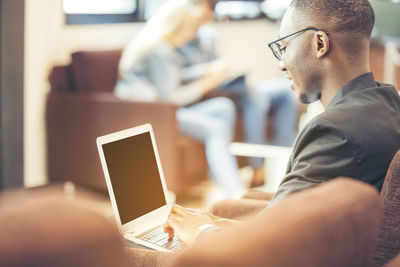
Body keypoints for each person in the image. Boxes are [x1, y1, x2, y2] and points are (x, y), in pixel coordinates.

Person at [163, 0, 400, 245]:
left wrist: (201, 233)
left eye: (284, 47)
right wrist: (210, 222)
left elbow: (265, 243)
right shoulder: (389, 103)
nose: (281, 63)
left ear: (320, 44)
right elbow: (279, 221)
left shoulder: (335, 132)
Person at [115, 0, 245, 198]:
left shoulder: (159, 44)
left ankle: (215, 182)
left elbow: (172, 76)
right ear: (179, 26)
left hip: (158, 108)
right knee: (215, 127)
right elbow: (171, 98)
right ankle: (236, 192)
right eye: (194, 26)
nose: (196, 32)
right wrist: (207, 83)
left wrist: (205, 70)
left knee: (223, 107)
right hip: (154, 113)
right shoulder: (161, 50)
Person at [177, 0, 298, 176]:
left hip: (225, 84)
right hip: (208, 93)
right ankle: (258, 166)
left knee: (285, 91)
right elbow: (180, 80)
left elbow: (215, 64)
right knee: (256, 98)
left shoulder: (207, 36)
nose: (207, 16)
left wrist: (226, 73)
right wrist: (207, 74)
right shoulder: (175, 42)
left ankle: (289, 162)